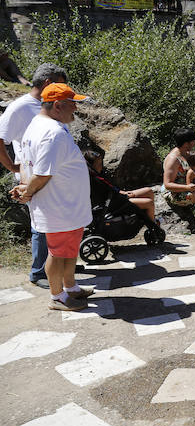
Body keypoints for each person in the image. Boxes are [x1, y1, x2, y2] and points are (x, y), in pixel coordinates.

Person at [10, 83, 94, 310]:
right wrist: (27, 191)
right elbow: (43, 173)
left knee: (69, 249)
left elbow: (31, 165)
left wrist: (25, 189)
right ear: (57, 105)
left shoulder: (39, 125)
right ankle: (57, 297)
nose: (75, 110)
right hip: (59, 206)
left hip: (65, 204)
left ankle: (71, 287)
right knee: (57, 253)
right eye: (72, 105)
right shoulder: (52, 133)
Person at [0, 63, 68, 288]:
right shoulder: (19, 107)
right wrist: (12, 168)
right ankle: (39, 272)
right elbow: (1, 139)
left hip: (55, 174)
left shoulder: (49, 106)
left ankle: (59, 264)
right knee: (40, 224)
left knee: (59, 221)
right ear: (48, 83)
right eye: (60, 83)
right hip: (32, 175)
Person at [83, 149, 156, 222]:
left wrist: (123, 193)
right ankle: (154, 228)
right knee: (149, 203)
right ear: (91, 165)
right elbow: (108, 194)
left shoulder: (98, 174)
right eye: (98, 164)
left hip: (118, 199)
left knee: (148, 191)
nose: (101, 166)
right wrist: (125, 195)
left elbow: (111, 189)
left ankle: (149, 221)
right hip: (112, 205)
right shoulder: (94, 179)